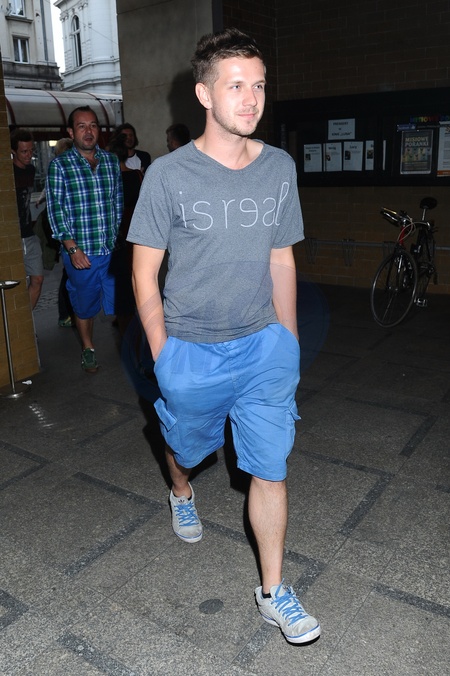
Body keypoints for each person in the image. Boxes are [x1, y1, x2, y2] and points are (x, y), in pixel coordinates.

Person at [128, 28, 321, 645]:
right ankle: (180, 488)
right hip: (191, 348)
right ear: (204, 94)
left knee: (271, 468)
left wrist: (288, 343)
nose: (251, 99)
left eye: (258, 85)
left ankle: (273, 591)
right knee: (188, 450)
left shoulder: (279, 167)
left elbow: (282, 258)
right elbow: (143, 272)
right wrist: (165, 357)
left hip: (264, 345)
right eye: (236, 86)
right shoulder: (167, 175)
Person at [46, 106, 123, 373]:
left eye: (93, 125)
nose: (88, 131)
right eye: (81, 126)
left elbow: (117, 203)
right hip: (81, 252)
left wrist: (118, 239)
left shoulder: (110, 162)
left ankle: (134, 350)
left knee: (124, 303)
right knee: (85, 305)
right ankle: (88, 348)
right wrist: (71, 248)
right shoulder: (60, 165)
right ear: (71, 132)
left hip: (111, 249)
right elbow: (56, 210)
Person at [36, 138, 75, 327]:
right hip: (65, 235)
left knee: (70, 275)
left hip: (68, 233)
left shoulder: (66, 170)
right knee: (69, 275)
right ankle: (66, 314)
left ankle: (69, 313)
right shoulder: (59, 170)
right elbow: (51, 196)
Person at [108, 133, 143, 333]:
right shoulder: (137, 175)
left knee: (122, 282)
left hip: (119, 235)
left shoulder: (110, 181)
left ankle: (125, 320)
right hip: (136, 233)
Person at [11, 129, 44, 310]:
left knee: (37, 279)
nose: (29, 155)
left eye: (31, 150)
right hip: (13, 235)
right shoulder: (9, 172)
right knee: (15, 282)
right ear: (14, 151)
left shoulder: (31, 170)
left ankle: (27, 320)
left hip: (28, 233)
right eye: (24, 151)